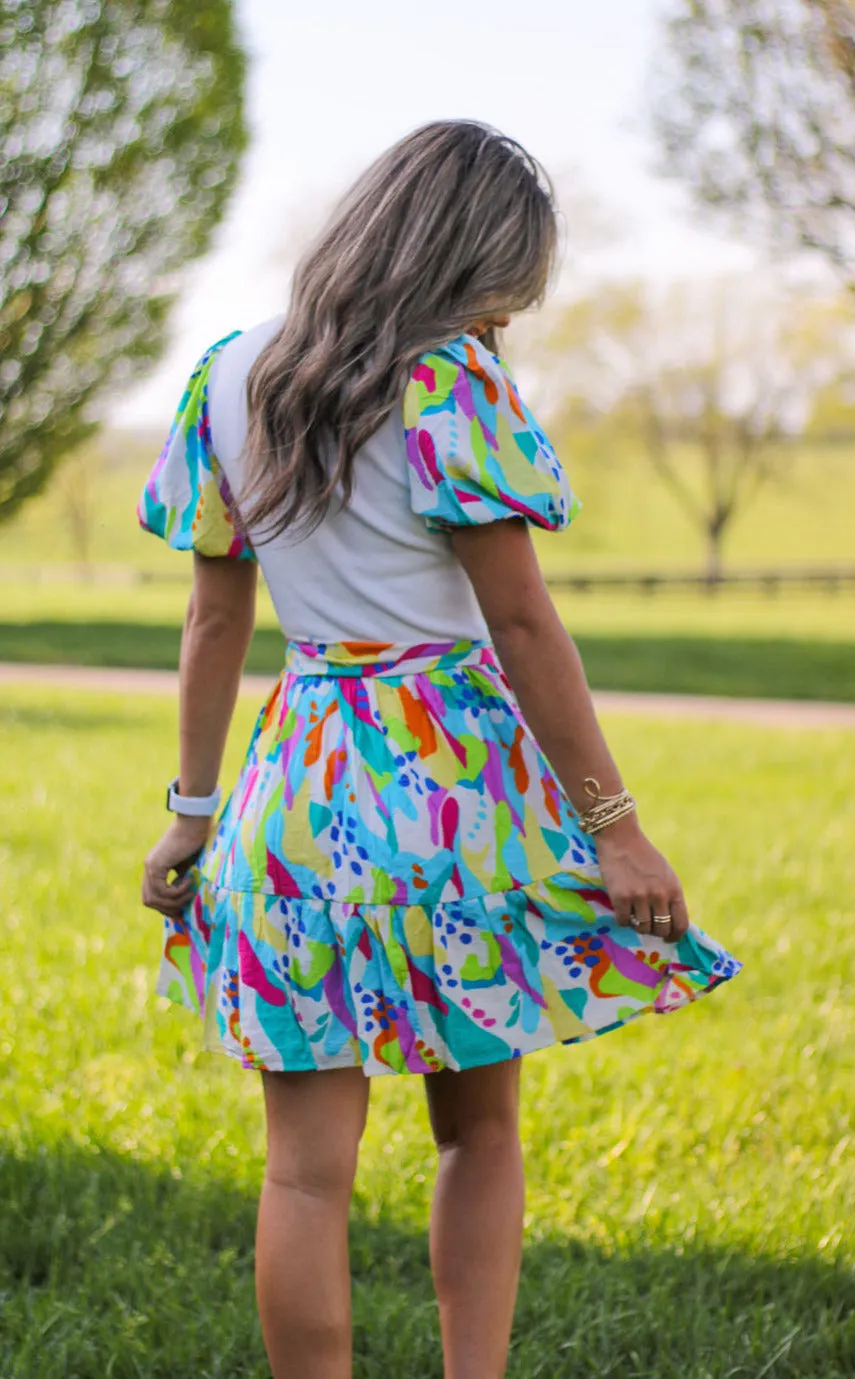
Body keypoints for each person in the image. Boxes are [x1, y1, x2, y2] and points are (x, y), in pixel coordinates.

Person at [139, 119, 741, 1379]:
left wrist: (192, 814)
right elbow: (521, 618)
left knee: (303, 1170)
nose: (506, 321)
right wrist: (613, 824)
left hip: (298, 789)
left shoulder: (232, 375)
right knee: (478, 1127)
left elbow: (214, 616)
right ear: (460, 259)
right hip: (453, 794)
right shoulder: (448, 381)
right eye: (501, 290)